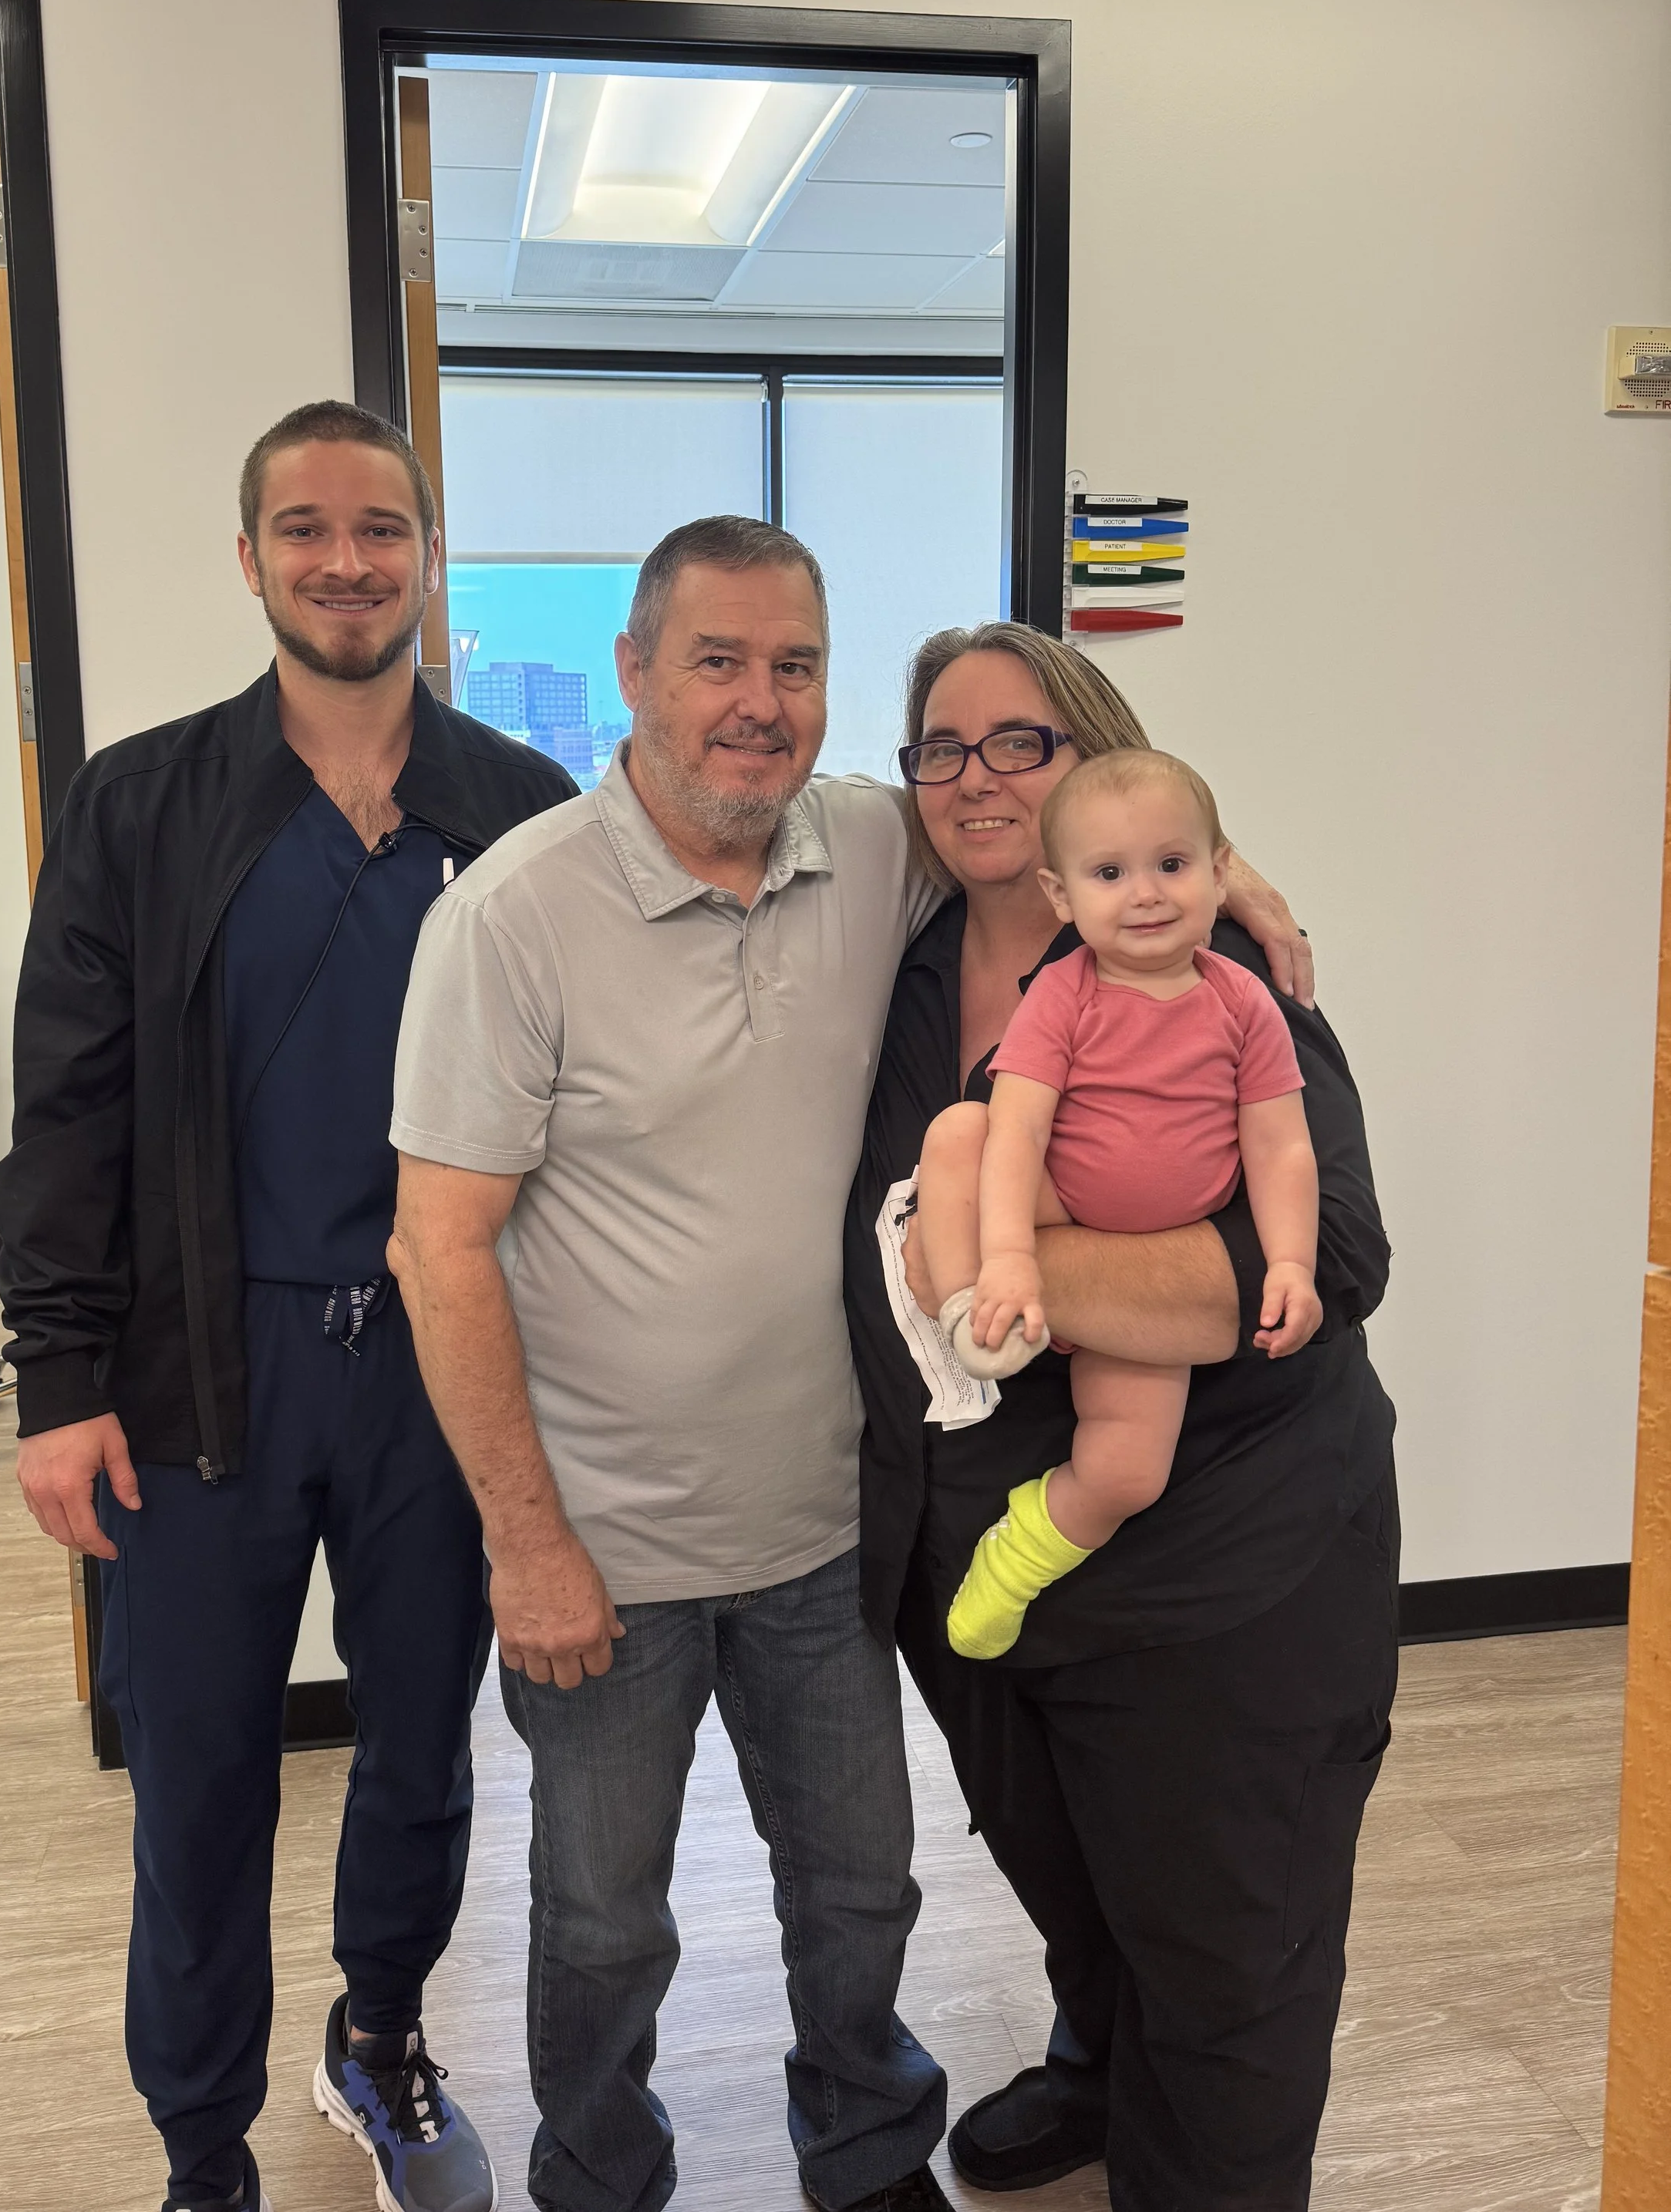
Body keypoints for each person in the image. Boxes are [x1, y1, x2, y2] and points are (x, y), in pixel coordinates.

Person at [386, 519, 1310, 2212]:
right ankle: (597, 2173)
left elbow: (1077, 825)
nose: (756, 703)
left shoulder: (870, 850)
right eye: (717, 661)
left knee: (857, 1895)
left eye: (793, 666)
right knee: (598, 1921)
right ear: (634, 675)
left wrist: (1224, 873)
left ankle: (867, 2147)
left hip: (829, 1530)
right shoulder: (511, 917)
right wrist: (524, 1543)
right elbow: (435, 1249)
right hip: (607, 1544)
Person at [0, 401, 575, 2212]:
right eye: (308, 529)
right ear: (250, 560)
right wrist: (60, 1375)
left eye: (382, 527)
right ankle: (198, 2150)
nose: (347, 559)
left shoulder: (523, 815)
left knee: (421, 1741)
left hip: (440, 1364)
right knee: (202, 1784)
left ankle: (382, 2035)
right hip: (200, 1374)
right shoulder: (142, 805)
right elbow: (68, 1107)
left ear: (426, 557)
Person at [844, 621, 1395, 2210]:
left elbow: (1330, 1257)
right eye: (938, 746)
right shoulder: (896, 959)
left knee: (1224, 1968)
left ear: (1099, 757)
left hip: (1222, 1570)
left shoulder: (1223, 988)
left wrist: (1002, 1282)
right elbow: (746, 779)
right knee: (1079, 1898)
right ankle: (1096, 2067)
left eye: (1021, 740)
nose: (975, 775)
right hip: (981, 1573)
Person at [913, 746, 1321, 1658]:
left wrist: (1290, 1260)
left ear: (1220, 875)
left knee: (1129, 1472)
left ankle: (1017, 1555)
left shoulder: (1242, 1001)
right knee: (959, 1137)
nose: (1144, 894)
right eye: (1109, 874)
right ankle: (963, 1313)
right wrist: (1008, 1261)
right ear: (1063, 898)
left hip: (1151, 1270)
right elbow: (1017, 1130)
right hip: (1058, 1204)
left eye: (1171, 866)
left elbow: (1282, 1144)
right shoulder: (1065, 992)